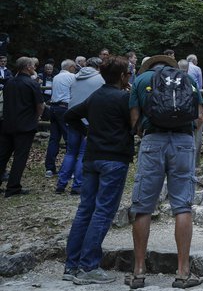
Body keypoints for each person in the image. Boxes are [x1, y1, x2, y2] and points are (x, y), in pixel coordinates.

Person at [128, 55, 203, 289]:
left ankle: (139, 271)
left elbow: (134, 119)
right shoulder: (188, 79)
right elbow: (199, 118)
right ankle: (183, 272)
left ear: (149, 67)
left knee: (143, 205)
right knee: (182, 205)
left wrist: (145, 132)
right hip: (183, 141)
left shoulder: (141, 81)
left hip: (153, 142)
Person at [62, 56, 134, 285]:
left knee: (85, 210)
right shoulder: (123, 98)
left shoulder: (96, 96)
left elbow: (70, 114)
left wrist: (86, 132)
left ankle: (71, 265)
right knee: (103, 211)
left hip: (92, 158)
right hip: (114, 159)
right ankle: (89, 266)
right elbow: (134, 125)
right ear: (122, 76)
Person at [57, 57, 104, 195]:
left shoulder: (74, 77)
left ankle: (61, 183)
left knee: (70, 152)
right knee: (83, 153)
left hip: (73, 118)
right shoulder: (100, 79)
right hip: (89, 121)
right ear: (98, 67)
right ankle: (77, 185)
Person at [0, 57, 44, 197]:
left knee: (3, 155)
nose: (35, 68)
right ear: (28, 67)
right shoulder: (32, 84)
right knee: (20, 157)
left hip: (7, 123)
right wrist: (36, 117)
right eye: (33, 66)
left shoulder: (9, 82)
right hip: (25, 125)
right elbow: (40, 105)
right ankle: (13, 188)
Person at [44, 59, 76, 178]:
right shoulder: (72, 77)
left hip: (53, 108)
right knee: (69, 139)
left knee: (54, 139)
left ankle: (49, 168)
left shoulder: (56, 77)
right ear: (71, 67)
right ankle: (69, 169)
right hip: (64, 108)